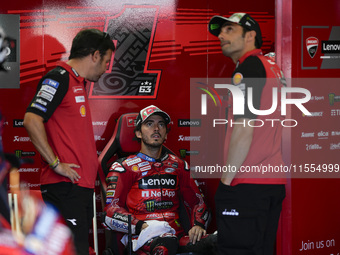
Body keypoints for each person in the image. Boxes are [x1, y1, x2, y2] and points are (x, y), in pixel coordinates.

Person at [23, 29, 115, 255]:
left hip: (78, 189)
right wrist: (55, 164)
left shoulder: (77, 82)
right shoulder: (58, 78)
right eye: (106, 61)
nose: (106, 68)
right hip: (65, 188)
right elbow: (31, 119)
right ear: (94, 55)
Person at [208, 13, 286, 255]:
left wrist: (226, 182)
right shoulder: (272, 67)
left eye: (230, 30)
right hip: (271, 182)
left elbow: (243, 129)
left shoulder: (250, 68)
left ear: (251, 35)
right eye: (221, 31)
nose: (221, 35)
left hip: (247, 184)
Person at [103, 105, 216, 255]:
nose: (156, 128)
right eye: (149, 124)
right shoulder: (123, 167)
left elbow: (198, 203)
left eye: (161, 124)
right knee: (165, 246)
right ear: (138, 133)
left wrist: (198, 225)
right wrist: (141, 226)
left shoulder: (179, 165)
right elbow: (110, 213)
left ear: (166, 134)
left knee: (217, 242)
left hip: (178, 237)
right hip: (142, 240)